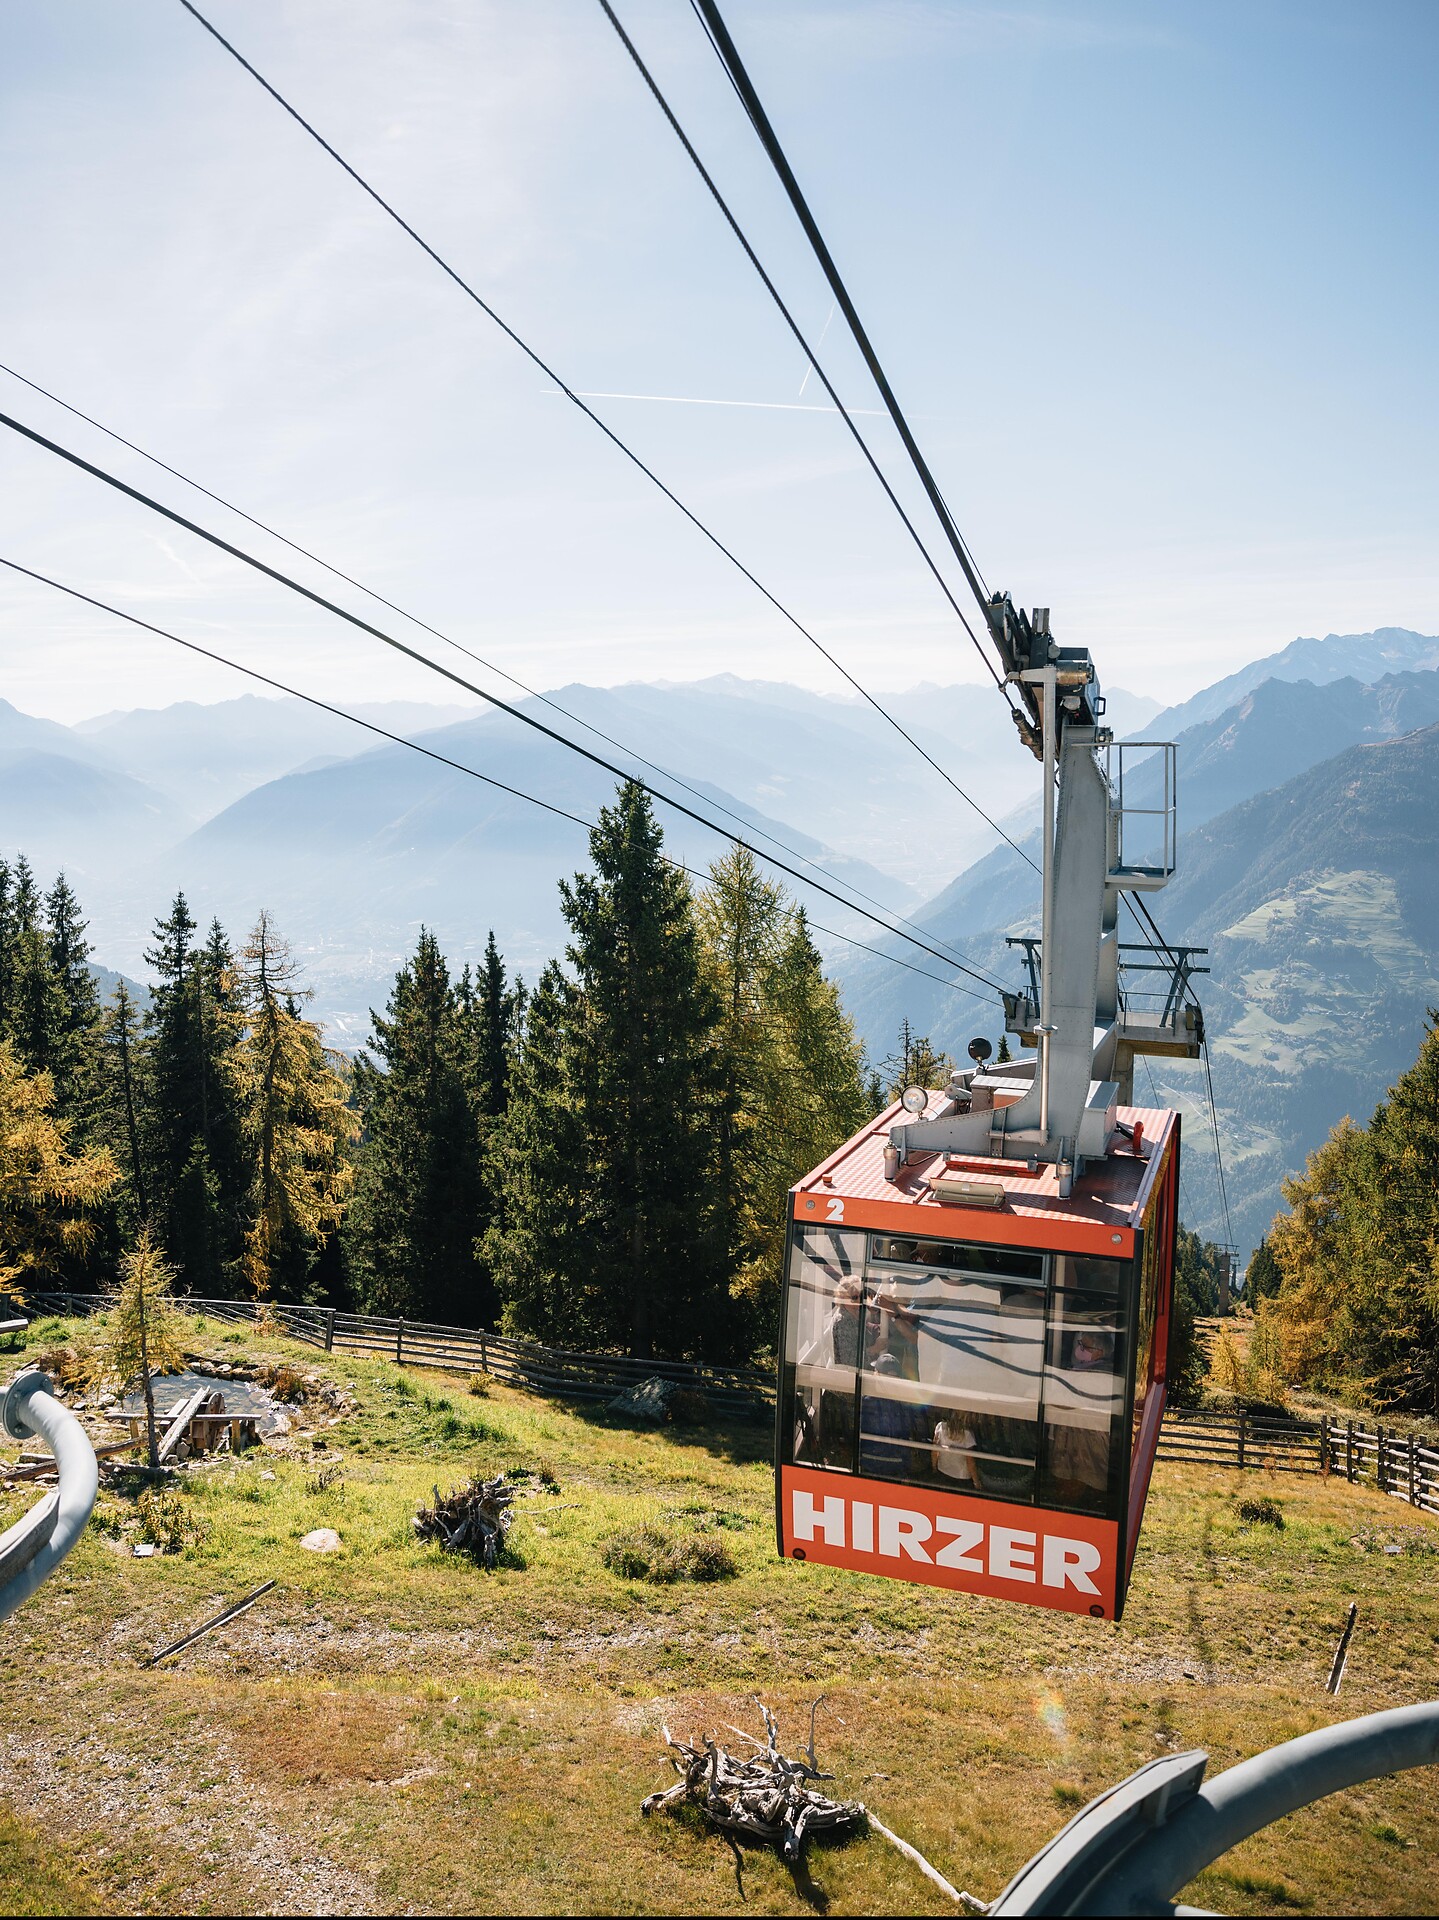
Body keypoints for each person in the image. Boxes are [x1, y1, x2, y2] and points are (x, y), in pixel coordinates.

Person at [860, 1352, 919, 1477]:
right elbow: (908, 1434)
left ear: (877, 1375)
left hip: (870, 1462)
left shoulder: (866, 1401)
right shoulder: (904, 1404)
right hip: (897, 1464)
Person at [932, 1406, 979, 1483]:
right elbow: (970, 1461)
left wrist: (934, 1467)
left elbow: (934, 1451)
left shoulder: (940, 1427)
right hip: (961, 1476)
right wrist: (976, 1482)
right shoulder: (967, 1434)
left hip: (943, 1470)